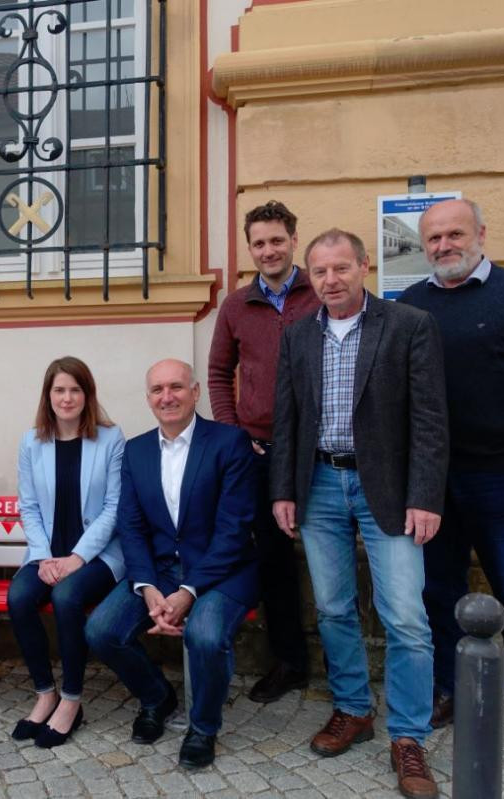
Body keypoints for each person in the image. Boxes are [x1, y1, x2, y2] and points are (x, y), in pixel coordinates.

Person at [271, 229, 447, 799]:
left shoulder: (407, 326)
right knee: (332, 607)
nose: (331, 281)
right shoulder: (298, 336)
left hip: (390, 490)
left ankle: (408, 736)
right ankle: (352, 707)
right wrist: (284, 490)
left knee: (405, 618)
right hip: (319, 483)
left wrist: (425, 495)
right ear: (310, 276)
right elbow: (286, 420)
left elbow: (429, 419)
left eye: (341, 268)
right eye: (319, 272)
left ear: (364, 267)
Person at [399, 198, 504, 762]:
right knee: (438, 593)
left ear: (480, 234)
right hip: (434, 485)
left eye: (454, 234)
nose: (444, 246)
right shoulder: (412, 304)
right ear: (422, 246)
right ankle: (449, 689)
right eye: (433, 238)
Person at [86, 359, 259, 770]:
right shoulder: (137, 450)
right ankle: (156, 697)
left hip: (224, 571)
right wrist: (146, 586)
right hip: (159, 570)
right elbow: (131, 526)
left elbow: (234, 530)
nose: (167, 397)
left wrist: (189, 592)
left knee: (204, 635)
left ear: (195, 392)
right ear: (148, 399)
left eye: (177, 387)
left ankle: (203, 726)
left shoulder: (229, 442)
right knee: (101, 630)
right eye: (158, 389)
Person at [207, 201, 317, 703]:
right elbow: (217, 375)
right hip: (260, 450)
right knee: (273, 559)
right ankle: (290, 661)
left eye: (276, 240)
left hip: (320, 450)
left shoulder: (323, 291)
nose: (268, 250)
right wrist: (232, 435)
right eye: (258, 243)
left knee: (329, 549)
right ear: (249, 248)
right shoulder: (236, 305)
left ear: (294, 238)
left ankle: (350, 665)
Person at [8, 356, 124, 748]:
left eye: (75, 389)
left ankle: (72, 701)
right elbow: (28, 506)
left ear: (87, 394)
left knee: (67, 596)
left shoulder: (110, 438)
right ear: (48, 395)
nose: (67, 397)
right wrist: (42, 557)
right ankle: (46, 694)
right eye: (59, 389)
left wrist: (76, 559)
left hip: (97, 555)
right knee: (20, 597)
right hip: (47, 553)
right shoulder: (32, 441)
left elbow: (113, 507)